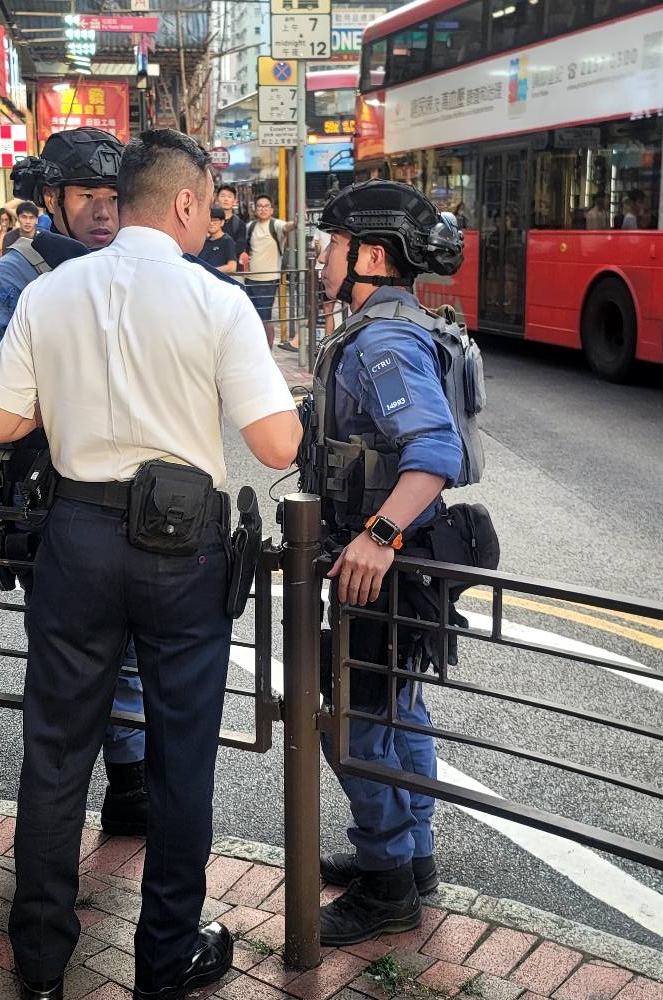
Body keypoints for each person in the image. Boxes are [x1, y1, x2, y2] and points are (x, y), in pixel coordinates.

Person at [0, 127, 302, 1000]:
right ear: (186, 204)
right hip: (181, 547)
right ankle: (164, 961)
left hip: (75, 536)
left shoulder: (52, 292)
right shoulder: (219, 302)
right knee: (180, 755)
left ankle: (39, 963)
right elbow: (276, 444)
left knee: (54, 755)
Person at [0, 128, 149, 840]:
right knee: (75, 664)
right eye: (86, 195)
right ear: (50, 199)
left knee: (129, 650)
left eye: (114, 197)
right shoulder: (13, 276)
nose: (102, 211)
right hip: (45, 500)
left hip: (128, 499)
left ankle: (128, 787)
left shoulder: (134, 268)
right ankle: (67, 817)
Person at [305, 180, 465, 947]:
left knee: (354, 724)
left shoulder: (384, 341)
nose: (321, 256)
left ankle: (388, 885)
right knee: (398, 713)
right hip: (411, 565)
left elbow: (435, 451)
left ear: (369, 255)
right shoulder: (386, 325)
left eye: (331, 245)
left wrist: (377, 534)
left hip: (386, 568)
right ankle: (413, 860)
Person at [243, 194, 295, 349]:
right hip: (250, 279)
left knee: (265, 318)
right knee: (253, 317)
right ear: (255, 209)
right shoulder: (250, 226)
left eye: (266, 206)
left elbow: (287, 227)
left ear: (272, 209)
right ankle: (257, 349)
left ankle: (268, 349)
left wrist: (297, 222)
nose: (263, 209)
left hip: (268, 280)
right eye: (259, 206)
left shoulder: (276, 225)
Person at [199, 204, 238, 272]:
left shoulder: (227, 241)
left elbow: (232, 267)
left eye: (215, 220)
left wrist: (210, 271)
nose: (211, 223)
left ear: (222, 222)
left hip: (219, 281)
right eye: (209, 220)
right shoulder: (204, 242)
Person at [216, 183, 246, 263]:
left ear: (235, 201)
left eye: (229, 196)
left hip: (232, 269)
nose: (226, 199)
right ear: (217, 199)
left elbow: (240, 247)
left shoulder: (239, 224)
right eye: (222, 196)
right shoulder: (208, 221)